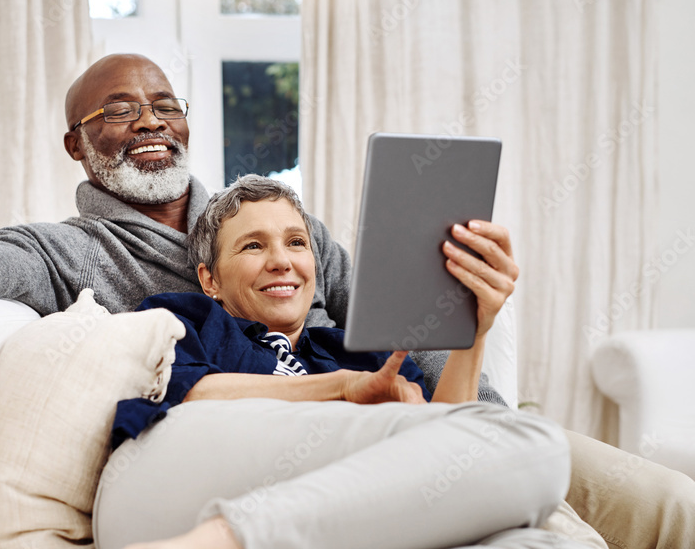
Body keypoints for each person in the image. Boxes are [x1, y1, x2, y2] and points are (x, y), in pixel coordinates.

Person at [0, 53, 694, 549]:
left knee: (663, 506)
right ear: (76, 144)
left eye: (163, 105)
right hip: (295, 449)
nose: (148, 121)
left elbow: (412, 335)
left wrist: (474, 356)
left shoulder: (284, 222)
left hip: (434, 421)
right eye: (116, 111)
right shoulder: (78, 252)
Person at [94, 175, 580, 549]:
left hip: (326, 517)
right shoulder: (187, 316)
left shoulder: (360, 351)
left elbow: (448, 441)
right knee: (537, 443)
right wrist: (342, 389)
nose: (282, 261)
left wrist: (474, 327)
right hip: (169, 492)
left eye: (296, 242)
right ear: (210, 279)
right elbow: (188, 395)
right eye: (253, 245)